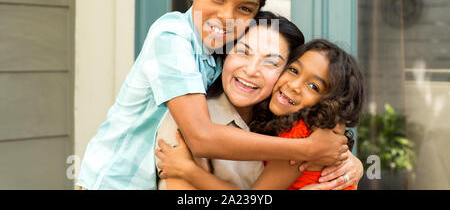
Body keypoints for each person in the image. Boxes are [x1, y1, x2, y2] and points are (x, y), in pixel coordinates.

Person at [76, 0, 348, 190]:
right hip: (111, 181)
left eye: (243, 8)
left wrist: (346, 156)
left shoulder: (222, 48)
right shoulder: (171, 37)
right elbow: (202, 137)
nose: (226, 17)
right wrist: (307, 149)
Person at [156, 39, 366, 190]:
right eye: (293, 70)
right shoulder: (288, 124)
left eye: (313, 86)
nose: (293, 85)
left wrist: (189, 171)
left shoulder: (302, 135)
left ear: (329, 102)